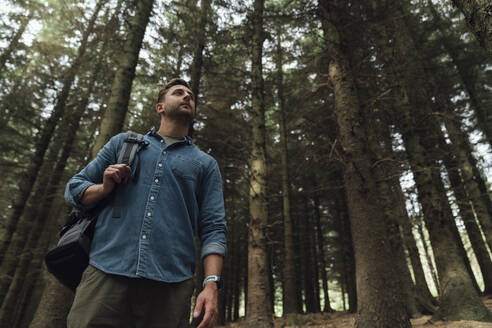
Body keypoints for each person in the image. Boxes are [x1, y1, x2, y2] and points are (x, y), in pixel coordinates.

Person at [64, 78, 226, 328]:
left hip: (171, 286)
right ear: (160, 107)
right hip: (105, 273)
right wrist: (104, 187)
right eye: (178, 93)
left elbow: (214, 227)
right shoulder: (123, 144)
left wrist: (211, 283)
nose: (186, 97)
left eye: (190, 95)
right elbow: (74, 188)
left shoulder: (205, 164)